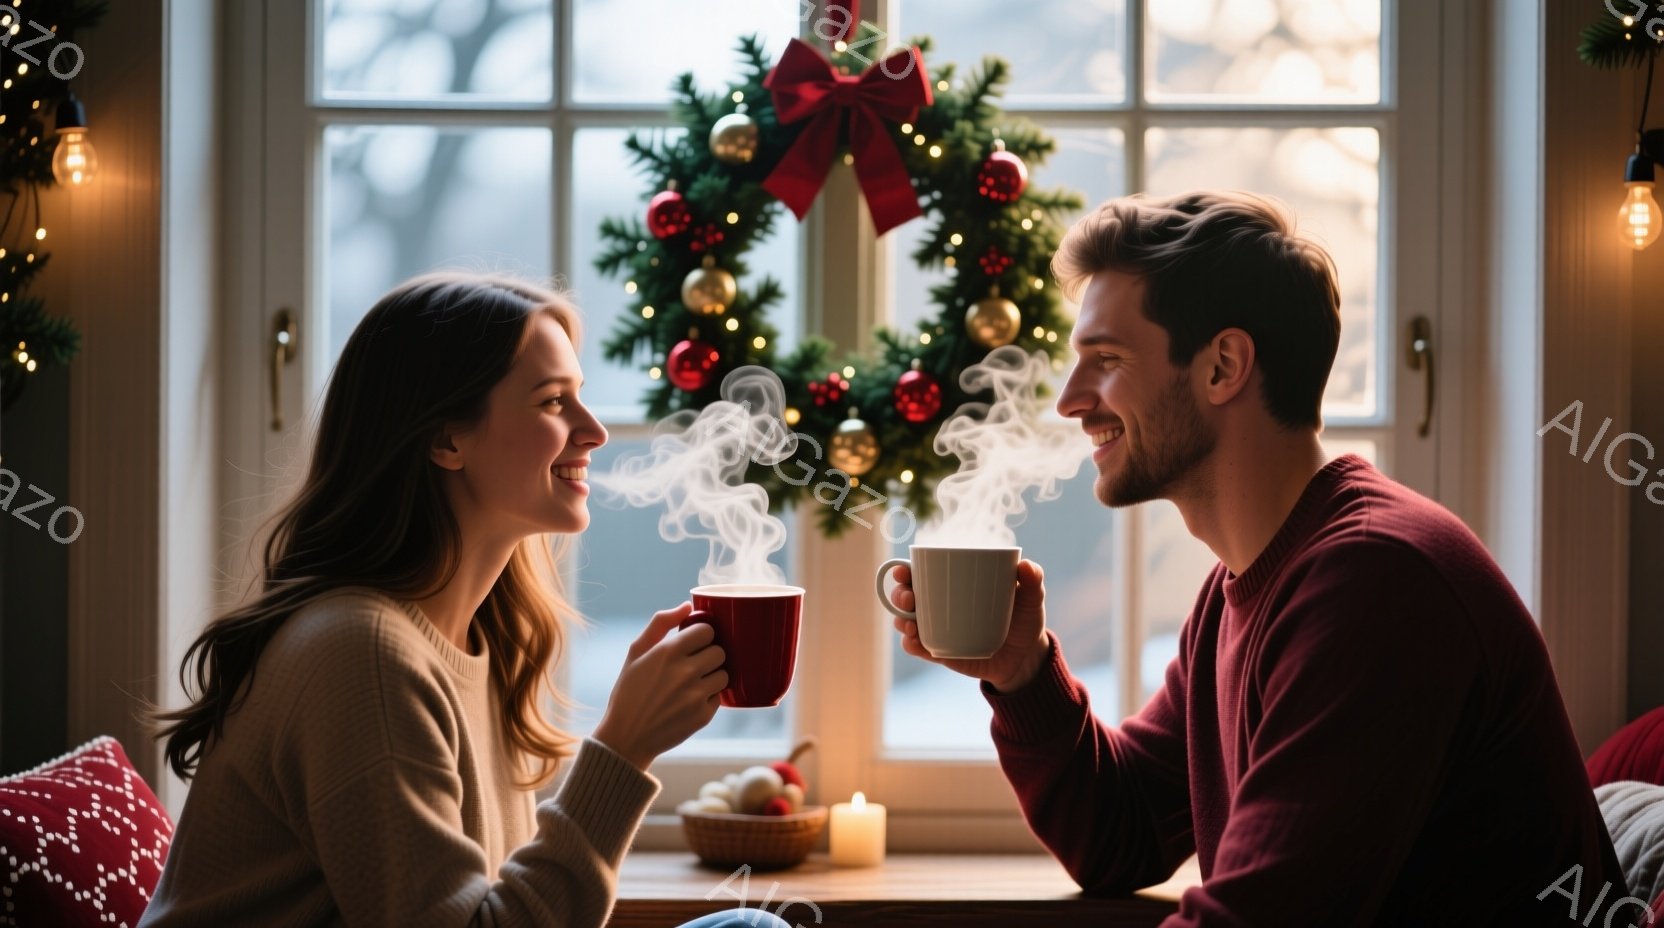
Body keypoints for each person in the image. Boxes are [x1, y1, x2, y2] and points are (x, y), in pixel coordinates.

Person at [886, 191, 1626, 924]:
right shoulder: (1244, 586)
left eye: (1106, 359)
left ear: (1223, 366)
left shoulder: (1373, 582)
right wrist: (1021, 673)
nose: (1071, 401)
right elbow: (1123, 834)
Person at [141, 273, 790, 928]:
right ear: (447, 439)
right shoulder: (361, 653)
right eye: (551, 402)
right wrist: (622, 750)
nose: (592, 431)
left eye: (580, 399)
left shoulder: (481, 641)